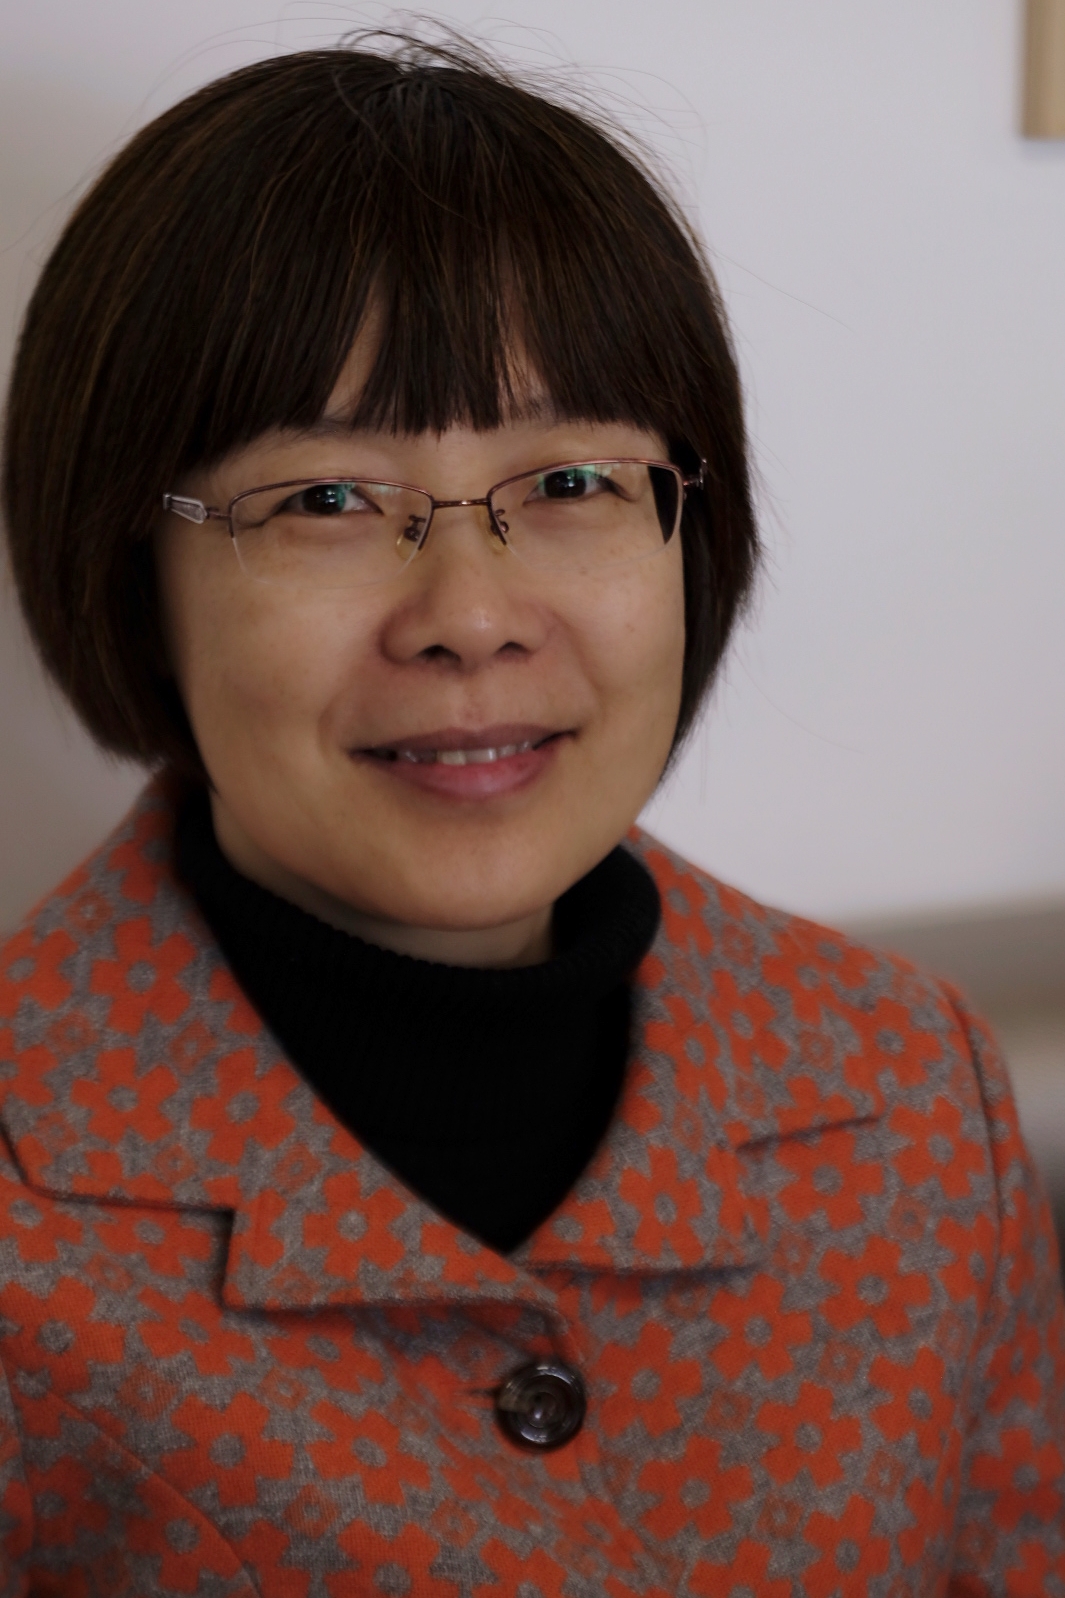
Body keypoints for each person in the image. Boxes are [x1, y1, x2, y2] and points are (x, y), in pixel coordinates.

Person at [0, 34, 1062, 1598]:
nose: (472, 617)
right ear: (128, 575)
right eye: (326, 499)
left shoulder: (910, 1094)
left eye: (569, 482)